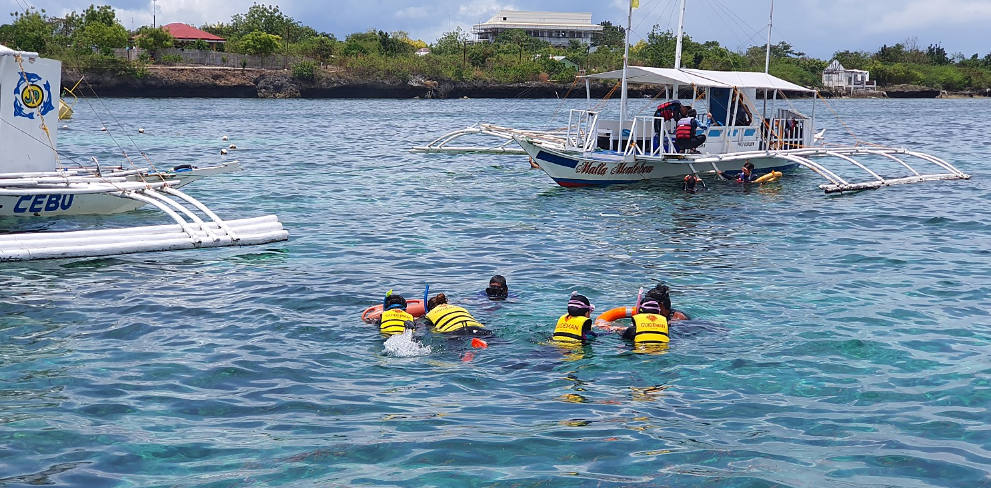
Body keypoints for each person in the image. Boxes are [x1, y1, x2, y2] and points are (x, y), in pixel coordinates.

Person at [424, 293, 492, 336]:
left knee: (458, 351)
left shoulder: (431, 314)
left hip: (455, 332)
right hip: (477, 327)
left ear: (431, 308)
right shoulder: (458, 308)